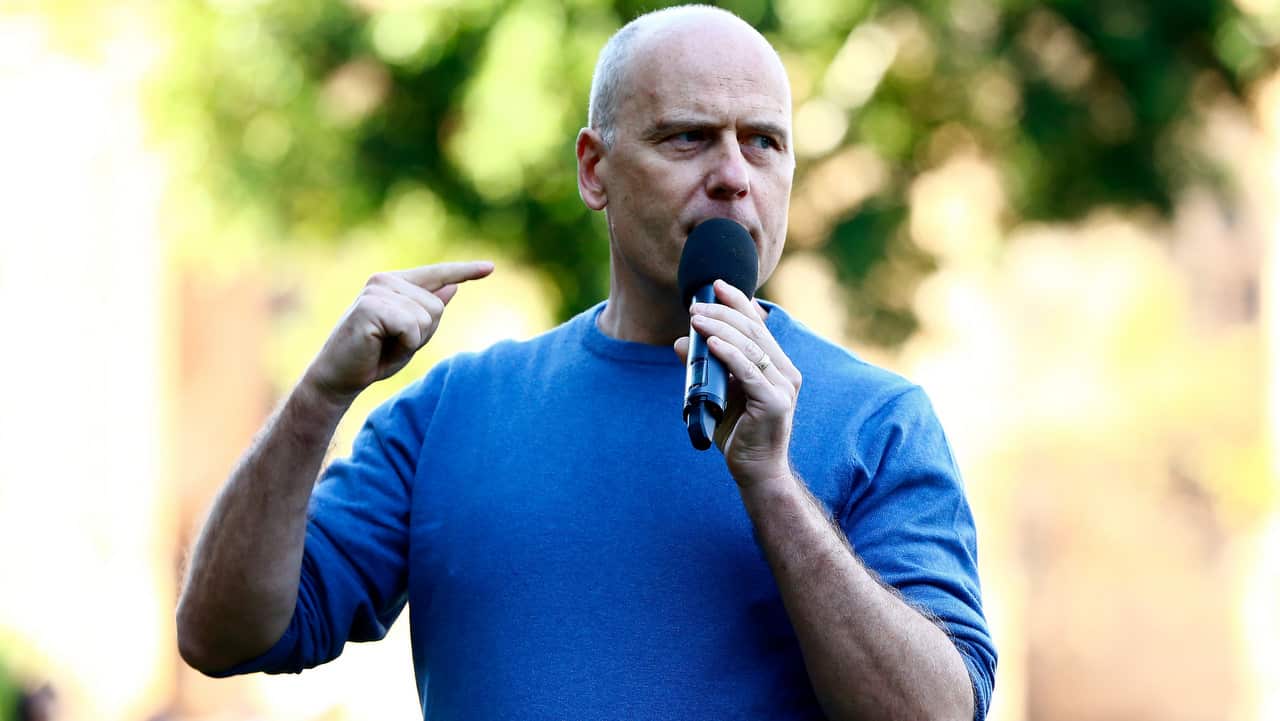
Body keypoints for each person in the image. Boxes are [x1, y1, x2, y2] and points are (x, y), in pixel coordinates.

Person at [176, 5, 996, 721]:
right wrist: (321, 395)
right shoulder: (454, 410)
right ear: (595, 169)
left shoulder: (879, 420)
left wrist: (773, 486)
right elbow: (222, 634)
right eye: (688, 138)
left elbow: (935, 711)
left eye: (765, 143)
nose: (733, 178)